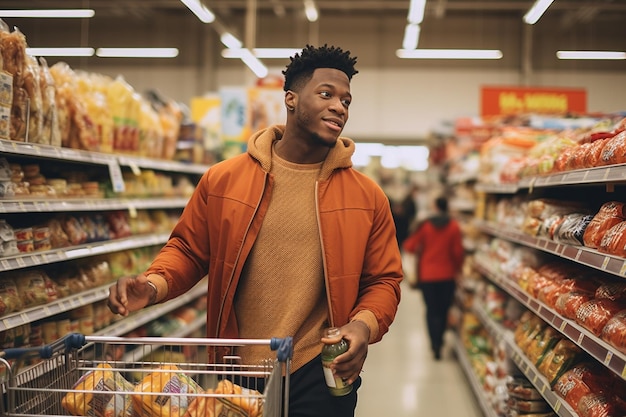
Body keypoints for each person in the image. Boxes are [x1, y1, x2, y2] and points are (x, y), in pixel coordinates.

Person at [107, 44, 403, 417]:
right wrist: (153, 285)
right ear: (291, 99)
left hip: (320, 369)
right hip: (238, 367)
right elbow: (188, 249)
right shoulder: (224, 179)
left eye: (346, 100)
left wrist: (363, 325)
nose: (339, 107)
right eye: (326, 94)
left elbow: (384, 280)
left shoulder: (366, 195)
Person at [402, 195, 464, 360]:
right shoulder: (454, 226)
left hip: (427, 276)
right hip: (447, 275)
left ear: (436, 207)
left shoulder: (426, 226)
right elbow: (458, 253)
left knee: (431, 311)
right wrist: (458, 269)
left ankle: (434, 345)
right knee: (443, 311)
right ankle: (440, 340)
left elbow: (409, 246)